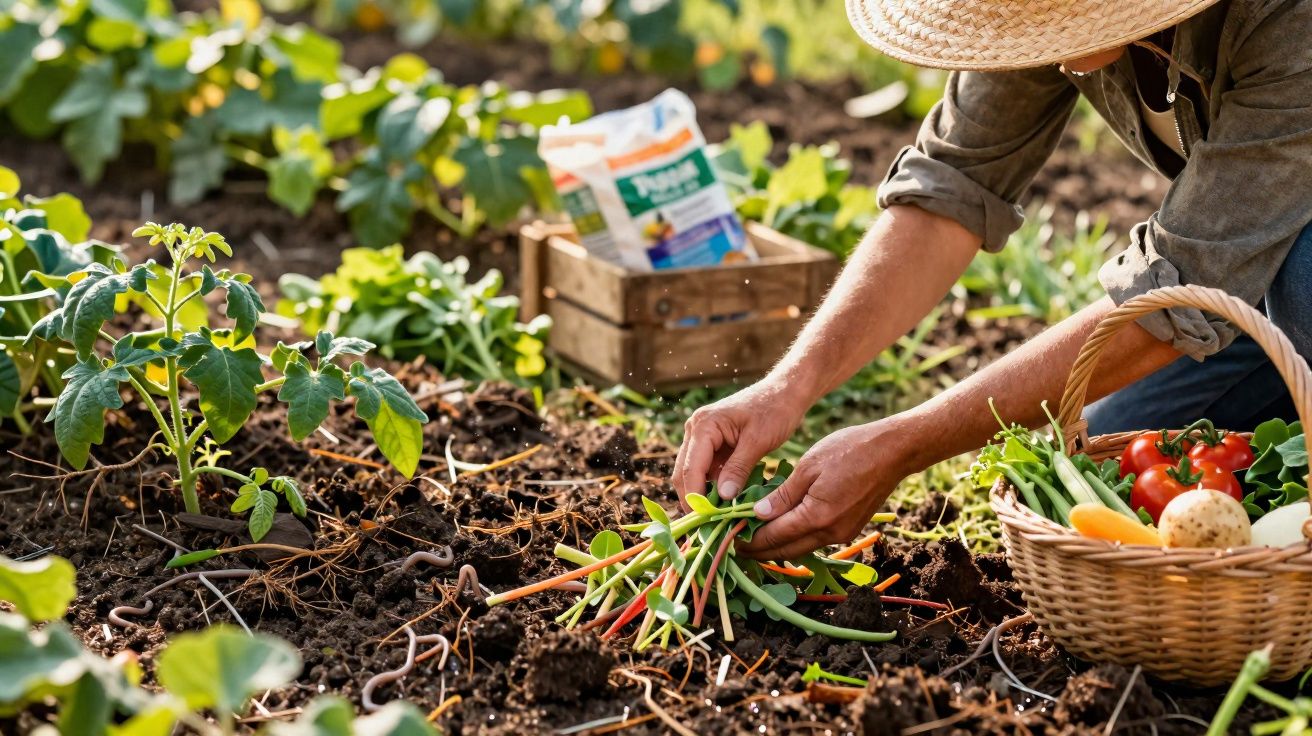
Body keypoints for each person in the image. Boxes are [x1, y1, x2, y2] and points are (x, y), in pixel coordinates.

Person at [672, 0, 1312, 561]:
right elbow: (951, 186)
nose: (1032, 21)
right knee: (1116, 444)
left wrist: (902, 444)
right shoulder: (1041, 15)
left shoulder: (1290, 23)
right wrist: (787, 387)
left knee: (1302, 282)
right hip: (1247, 269)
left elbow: (1179, 284)